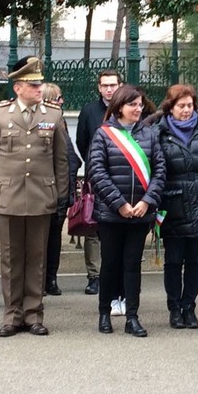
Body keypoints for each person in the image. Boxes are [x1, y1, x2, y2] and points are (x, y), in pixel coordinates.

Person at [0, 57, 70, 337]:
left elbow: (61, 161)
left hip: (42, 196)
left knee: (37, 258)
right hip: (8, 195)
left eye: (40, 84)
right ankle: (12, 315)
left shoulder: (53, 116)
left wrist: (62, 197)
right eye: (33, 85)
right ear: (18, 87)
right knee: (10, 258)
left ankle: (34, 314)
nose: (39, 88)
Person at [88, 84, 165, 337]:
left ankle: (132, 316)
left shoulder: (150, 134)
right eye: (133, 104)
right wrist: (120, 204)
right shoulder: (103, 134)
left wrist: (146, 201)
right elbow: (97, 172)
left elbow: (160, 172)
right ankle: (104, 313)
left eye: (140, 104)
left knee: (132, 265)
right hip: (112, 214)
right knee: (110, 264)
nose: (138, 108)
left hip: (141, 213)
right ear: (120, 106)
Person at [153, 84, 198, 329]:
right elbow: (156, 172)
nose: (186, 110)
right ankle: (174, 308)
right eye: (180, 106)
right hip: (172, 204)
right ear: (170, 108)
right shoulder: (159, 133)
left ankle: (189, 306)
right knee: (174, 261)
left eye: (190, 106)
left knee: (195, 261)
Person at [75, 70, 122, 298]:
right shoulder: (89, 111)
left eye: (113, 85)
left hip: (123, 179)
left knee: (118, 228)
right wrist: (95, 167)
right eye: (105, 85)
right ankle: (94, 276)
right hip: (96, 178)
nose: (109, 89)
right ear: (99, 88)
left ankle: (117, 274)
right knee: (93, 228)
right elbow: (82, 141)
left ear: (120, 85)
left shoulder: (127, 109)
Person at [40, 83, 80, 297]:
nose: (61, 101)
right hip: (44, 191)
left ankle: (51, 279)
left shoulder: (61, 122)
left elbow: (70, 157)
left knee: (54, 239)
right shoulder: (43, 123)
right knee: (40, 240)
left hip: (61, 192)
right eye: (58, 98)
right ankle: (40, 279)